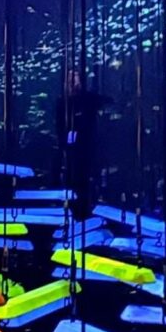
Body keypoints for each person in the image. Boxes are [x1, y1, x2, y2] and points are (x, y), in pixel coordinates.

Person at [55, 70, 109, 220]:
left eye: (75, 77)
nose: (72, 81)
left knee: (88, 181)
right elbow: (60, 128)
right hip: (72, 152)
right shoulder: (62, 102)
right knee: (74, 181)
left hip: (90, 149)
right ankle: (74, 212)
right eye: (69, 78)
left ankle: (89, 210)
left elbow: (108, 103)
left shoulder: (88, 99)